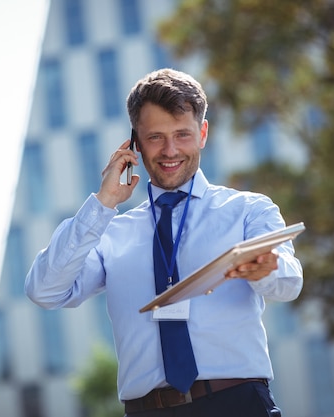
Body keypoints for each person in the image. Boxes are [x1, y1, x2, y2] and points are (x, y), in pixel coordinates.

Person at [25, 68, 303, 417]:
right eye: (155, 137)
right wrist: (103, 203)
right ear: (134, 143)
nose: (170, 150)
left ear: (202, 133)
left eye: (182, 134)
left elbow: (289, 283)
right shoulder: (109, 232)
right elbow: (44, 290)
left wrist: (267, 268)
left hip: (238, 403)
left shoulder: (247, 210)